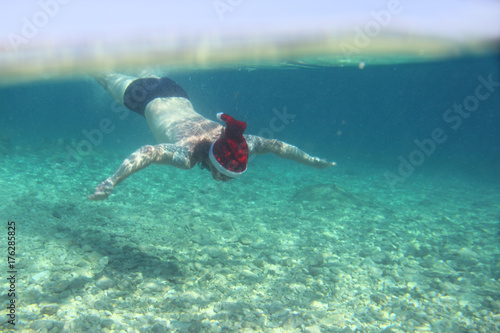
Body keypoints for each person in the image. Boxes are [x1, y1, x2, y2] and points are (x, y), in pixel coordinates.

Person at [89, 73, 336, 200]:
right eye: (225, 175)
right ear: (215, 162)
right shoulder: (186, 155)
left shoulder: (235, 141)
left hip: (175, 91)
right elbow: (148, 152)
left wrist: (312, 161)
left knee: (138, 67)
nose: (225, 181)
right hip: (142, 97)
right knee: (102, 76)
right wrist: (112, 181)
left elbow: (275, 145)